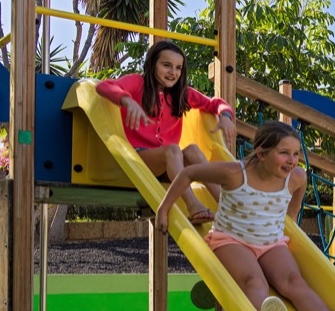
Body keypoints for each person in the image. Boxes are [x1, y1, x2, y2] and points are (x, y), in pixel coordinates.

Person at [156, 121, 335, 311]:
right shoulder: (234, 173)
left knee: (294, 281)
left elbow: (300, 187)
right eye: (284, 153)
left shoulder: (295, 177)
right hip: (231, 240)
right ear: (261, 154)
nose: (291, 160)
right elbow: (188, 173)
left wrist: (292, 217)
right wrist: (163, 210)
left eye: (296, 153)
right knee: (254, 280)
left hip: (270, 243)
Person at [98, 41, 237, 225]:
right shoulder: (137, 83)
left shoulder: (181, 94)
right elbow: (104, 86)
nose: (173, 72)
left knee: (193, 150)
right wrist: (127, 100)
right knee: (173, 150)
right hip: (138, 161)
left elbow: (215, 103)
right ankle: (193, 205)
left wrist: (225, 116)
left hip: (170, 166)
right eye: (166, 65)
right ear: (152, 64)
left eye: (178, 68)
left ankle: (227, 205)